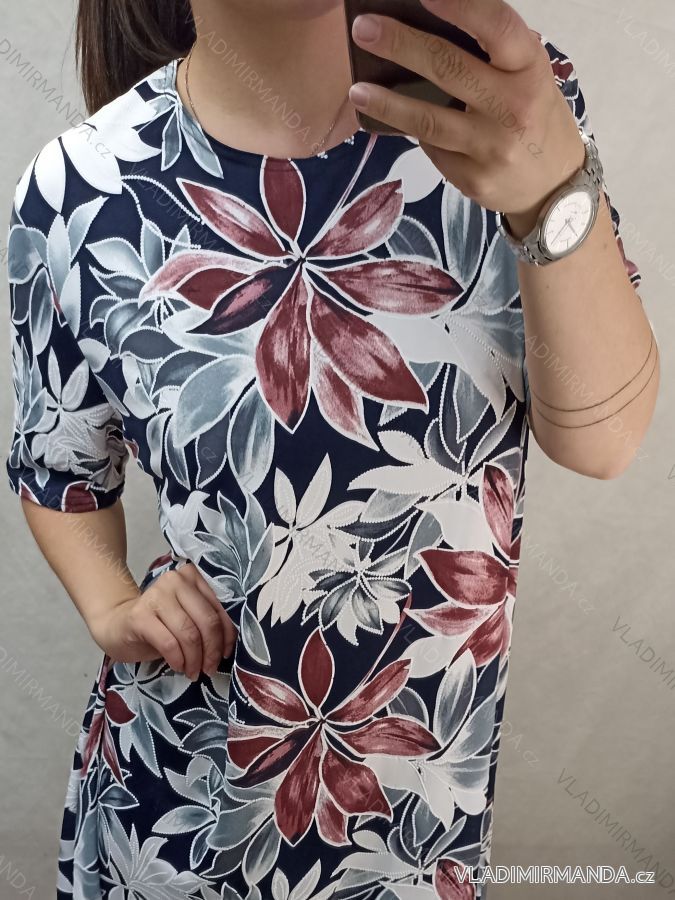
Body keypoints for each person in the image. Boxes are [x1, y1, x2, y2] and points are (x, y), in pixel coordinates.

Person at [5, 0, 657, 897]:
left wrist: (551, 197)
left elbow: (602, 441)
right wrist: (110, 601)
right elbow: (59, 469)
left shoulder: (504, 112)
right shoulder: (80, 190)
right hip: (181, 814)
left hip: (415, 822)